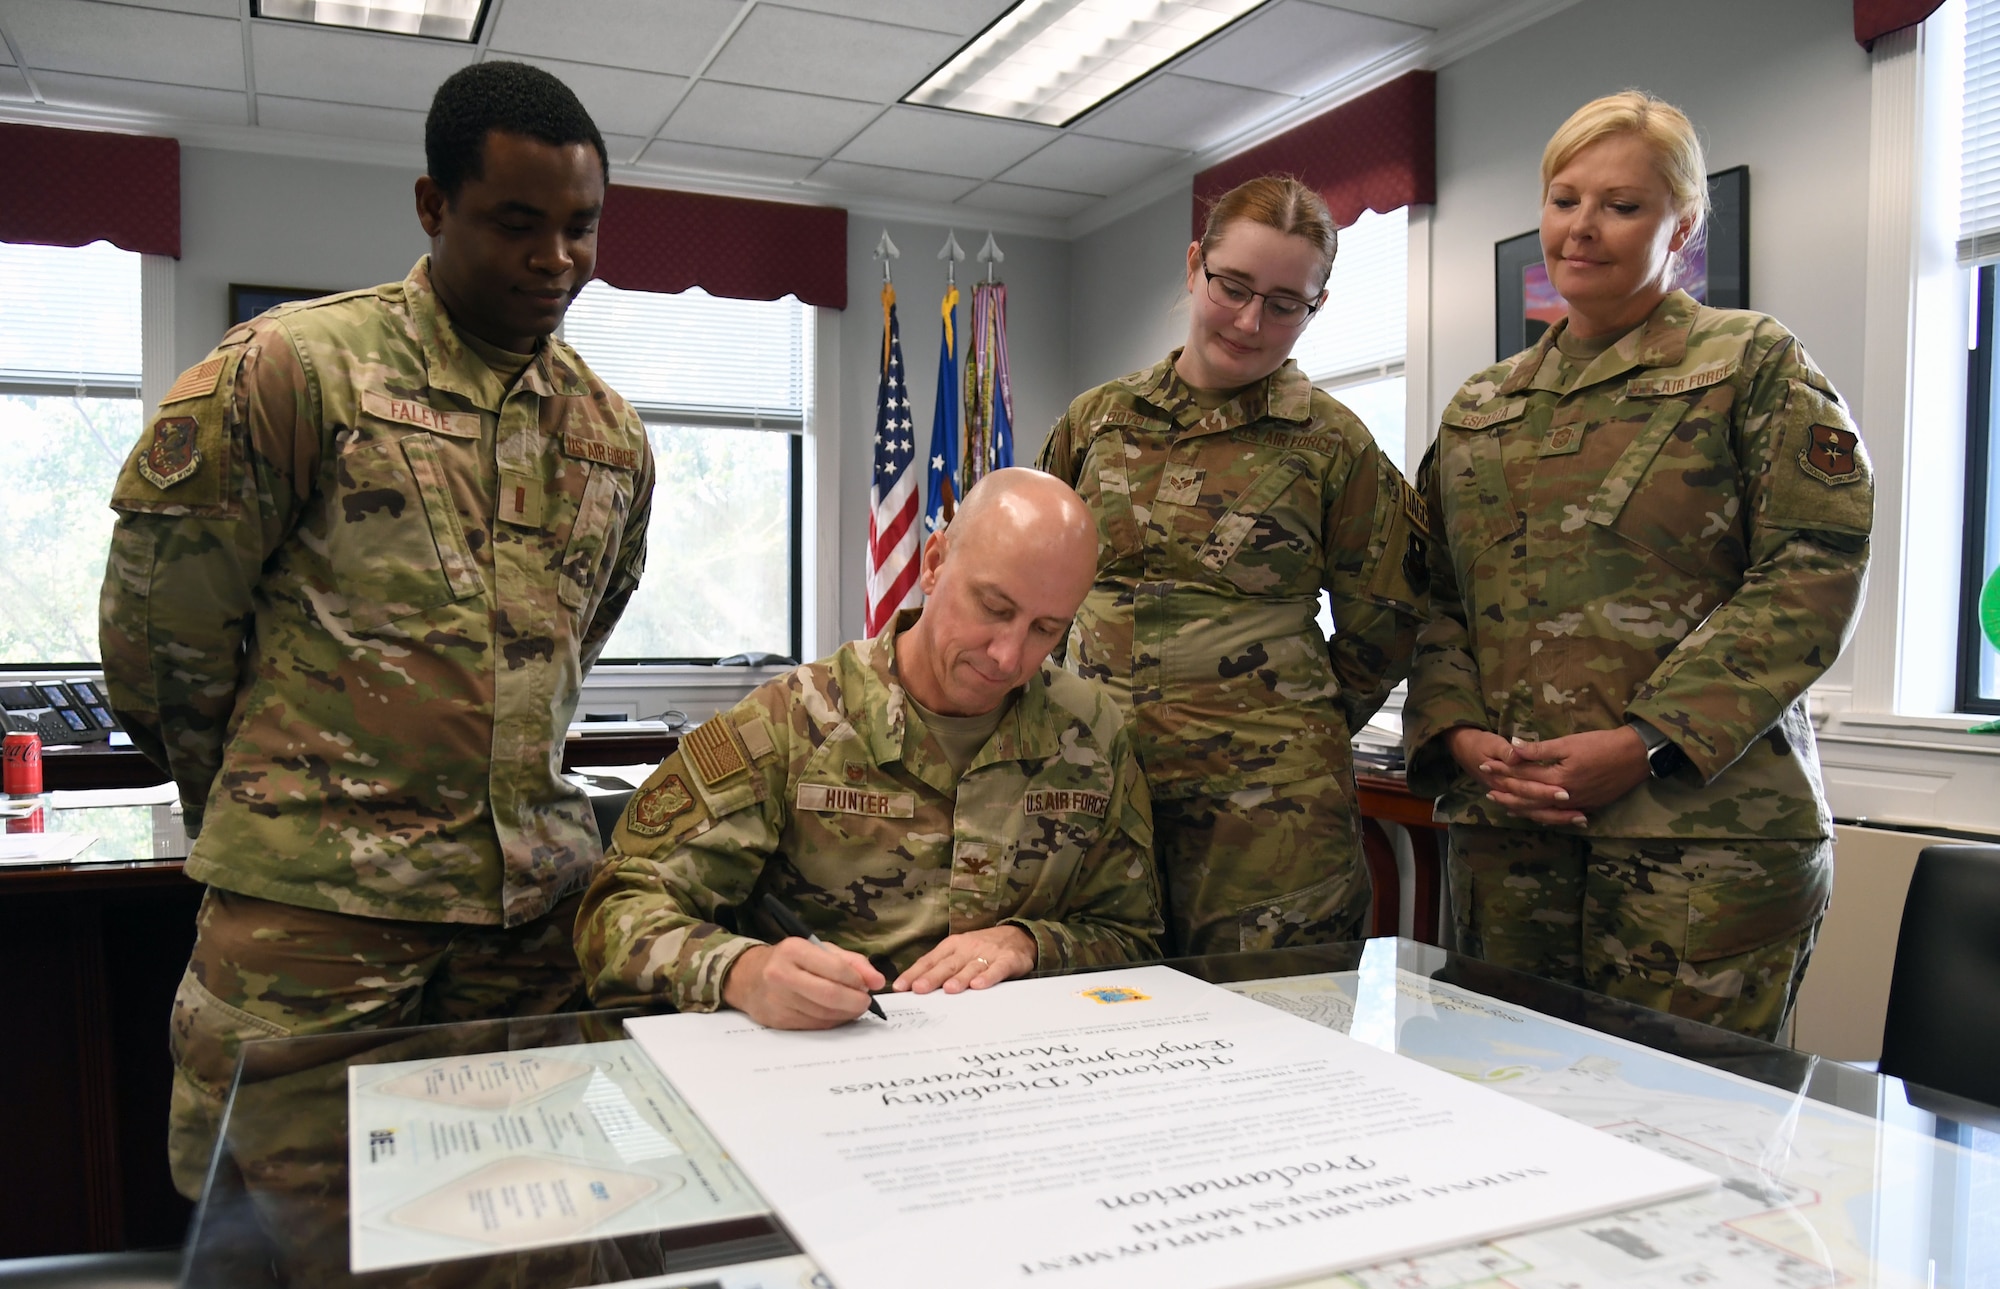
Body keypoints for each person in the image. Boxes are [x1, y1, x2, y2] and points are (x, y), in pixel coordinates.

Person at [99, 62, 654, 1196]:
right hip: (316, 926)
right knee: (286, 1238)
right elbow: (161, 642)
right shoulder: (292, 372)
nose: (555, 259)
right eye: (516, 223)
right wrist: (272, 816)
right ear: (431, 206)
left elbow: (565, 652)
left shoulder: (610, 435)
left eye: (580, 228)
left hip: (526, 933)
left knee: (519, 1231)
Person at [1403, 91, 1873, 1041]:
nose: (1582, 228)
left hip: (1700, 844)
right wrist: (1455, 730)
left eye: (1622, 205)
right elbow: (1436, 591)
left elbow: (1813, 568)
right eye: (1564, 198)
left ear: (1684, 226)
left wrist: (1647, 737)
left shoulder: (1751, 364)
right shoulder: (1483, 404)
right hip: (1511, 834)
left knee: (1689, 1134)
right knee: (1507, 1115)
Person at [576, 469, 1163, 1028]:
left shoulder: (1089, 733)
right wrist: (740, 971)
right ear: (934, 565)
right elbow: (615, 911)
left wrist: (1030, 943)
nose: (1007, 656)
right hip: (830, 1066)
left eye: (1045, 630)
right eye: (994, 608)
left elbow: (1134, 935)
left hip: (1020, 1069)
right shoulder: (794, 721)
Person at [1036, 176, 1428, 957]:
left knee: (1279, 1048)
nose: (1251, 321)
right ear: (1194, 265)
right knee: (1102, 1035)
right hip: (1100, 796)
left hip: (1270, 829)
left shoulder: (1331, 443)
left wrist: (1277, 729)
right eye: (1234, 287)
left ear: (1316, 305)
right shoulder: (1097, 420)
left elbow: (1385, 623)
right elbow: (1038, 595)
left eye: (1286, 303)